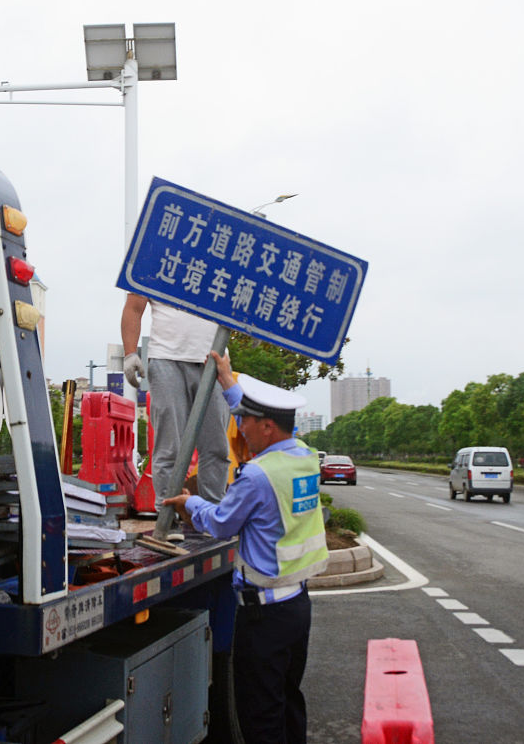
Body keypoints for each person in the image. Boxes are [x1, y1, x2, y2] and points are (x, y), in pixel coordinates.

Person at [163, 350, 328, 744]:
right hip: (297, 609)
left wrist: (190, 503)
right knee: (289, 701)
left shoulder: (257, 476)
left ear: (268, 427)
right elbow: (254, 415)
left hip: (263, 619)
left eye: (245, 422)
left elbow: (221, 523)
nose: (239, 429)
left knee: (261, 717)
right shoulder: (305, 457)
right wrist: (227, 382)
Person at [121, 295, 230, 521]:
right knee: (169, 446)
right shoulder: (154, 260)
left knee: (216, 447)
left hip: (213, 359)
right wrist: (130, 352)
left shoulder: (220, 259)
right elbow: (134, 307)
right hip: (166, 358)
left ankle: (213, 516)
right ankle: (167, 517)